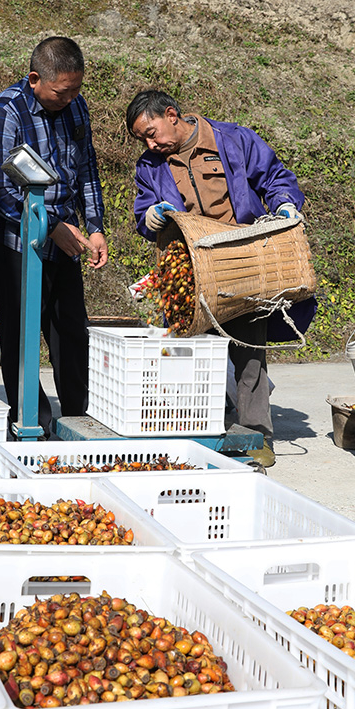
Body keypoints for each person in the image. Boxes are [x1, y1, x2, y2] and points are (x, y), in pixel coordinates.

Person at [126, 89, 315, 469]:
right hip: (190, 268)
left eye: (152, 132)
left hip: (241, 260)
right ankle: (194, 432)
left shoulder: (234, 140)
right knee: (188, 353)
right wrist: (149, 217)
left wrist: (284, 203)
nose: (150, 143)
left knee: (250, 350)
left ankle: (256, 434)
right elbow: (144, 209)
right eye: (143, 139)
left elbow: (275, 177)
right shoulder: (150, 165)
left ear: (171, 114)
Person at [0, 36, 107, 439]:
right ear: (35, 78)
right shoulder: (6, 112)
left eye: (76, 90)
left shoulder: (74, 106)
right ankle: (32, 423)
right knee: (20, 338)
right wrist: (49, 224)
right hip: (19, 243)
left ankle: (77, 419)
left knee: (70, 331)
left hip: (66, 238)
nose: (69, 98)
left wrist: (96, 225)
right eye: (61, 91)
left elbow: (85, 168)